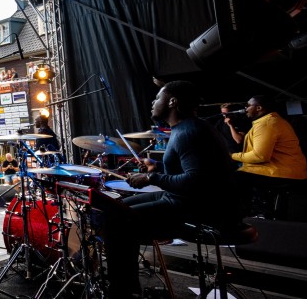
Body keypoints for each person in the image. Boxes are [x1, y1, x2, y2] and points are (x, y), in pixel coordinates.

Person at [104, 81, 236, 298]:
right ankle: (127, 286)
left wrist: (150, 177)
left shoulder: (189, 132)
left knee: (117, 222)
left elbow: (196, 180)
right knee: (115, 209)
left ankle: (123, 291)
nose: (153, 102)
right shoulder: (187, 127)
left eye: (158, 98)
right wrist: (158, 167)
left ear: (172, 102)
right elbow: (186, 170)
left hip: (196, 207)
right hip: (183, 197)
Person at [231, 95, 307, 217]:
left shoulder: (267, 123)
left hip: (284, 172)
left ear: (259, 108)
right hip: (282, 170)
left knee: (236, 178)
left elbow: (260, 156)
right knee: (238, 174)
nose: (245, 109)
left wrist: (231, 156)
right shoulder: (267, 121)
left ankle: (248, 216)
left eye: (248, 105)